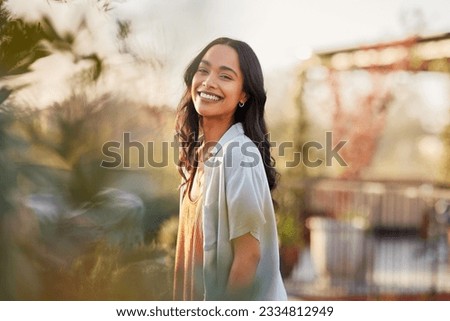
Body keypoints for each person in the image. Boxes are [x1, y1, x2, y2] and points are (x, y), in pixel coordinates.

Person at [173, 37, 287, 301]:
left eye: (225, 76)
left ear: (244, 94)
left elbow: (248, 256)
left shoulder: (238, 154)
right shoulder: (197, 158)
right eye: (203, 70)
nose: (209, 81)